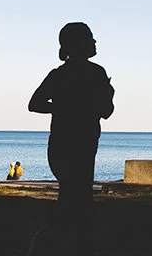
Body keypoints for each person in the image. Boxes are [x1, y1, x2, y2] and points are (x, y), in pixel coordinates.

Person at [28, 22, 115, 252]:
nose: (95, 42)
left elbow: (35, 104)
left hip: (60, 145)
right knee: (79, 199)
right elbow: (106, 111)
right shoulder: (96, 73)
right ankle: (61, 243)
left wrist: (60, 108)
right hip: (82, 145)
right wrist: (107, 95)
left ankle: (53, 243)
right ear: (78, 44)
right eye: (90, 38)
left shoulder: (58, 75)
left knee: (71, 197)